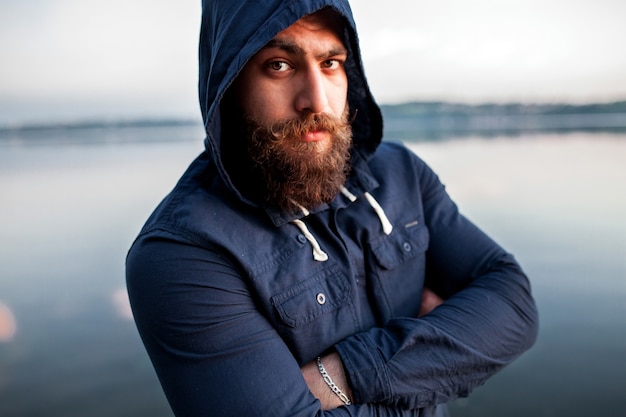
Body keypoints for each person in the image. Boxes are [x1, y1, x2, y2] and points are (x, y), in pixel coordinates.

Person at [125, 1, 538, 416]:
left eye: (330, 62)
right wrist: (436, 353)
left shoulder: (401, 175)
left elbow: (514, 303)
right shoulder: (183, 253)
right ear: (228, 82)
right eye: (279, 65)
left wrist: (339, 375)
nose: (316, 102)